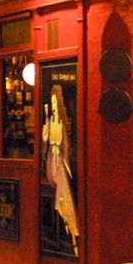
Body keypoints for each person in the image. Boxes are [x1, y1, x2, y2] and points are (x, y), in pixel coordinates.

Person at [42, 86, 79, 254]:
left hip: (61, 166)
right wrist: (44, 140)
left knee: (65, 198)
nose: (54, 105)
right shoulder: (49, 125)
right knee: (57, 197)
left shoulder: (62, 125)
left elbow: (66, 147)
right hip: (53, 165)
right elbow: (46, 150)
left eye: (56, 102)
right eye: (52, 102)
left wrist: (65, 162)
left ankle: (71, 235)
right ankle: (61, 237)